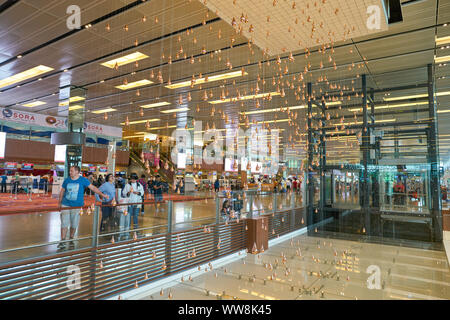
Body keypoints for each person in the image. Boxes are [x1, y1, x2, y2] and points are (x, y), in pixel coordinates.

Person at [58, 166, 108, 251]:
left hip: (77, 206)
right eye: (70, 171)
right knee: (64, 223)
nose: (70, 172)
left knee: (74, 224)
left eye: (72, 171)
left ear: (77, 172)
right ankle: (62, 241)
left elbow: (93, 188)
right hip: (65, 204)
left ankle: (71, 238)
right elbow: (62, 190)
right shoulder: (67, 180)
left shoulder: (83, 180)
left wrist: (102, 194)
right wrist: (59, 203)